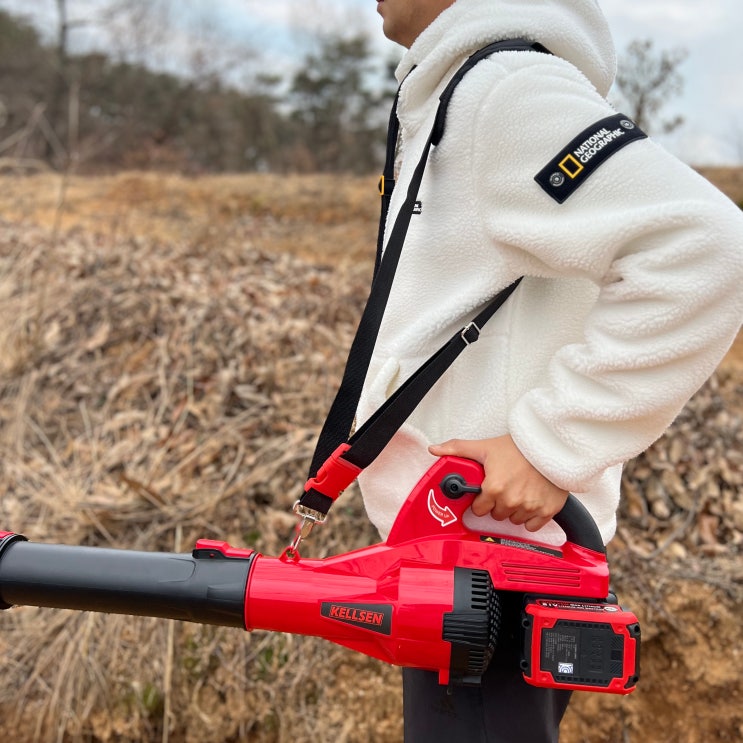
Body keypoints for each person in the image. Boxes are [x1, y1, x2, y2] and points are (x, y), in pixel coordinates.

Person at [356, 0, 743, 741]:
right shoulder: (467, 92)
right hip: (460, 561)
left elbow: (708, 250)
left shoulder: (504, 91)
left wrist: (549, 447)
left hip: (492, 569)